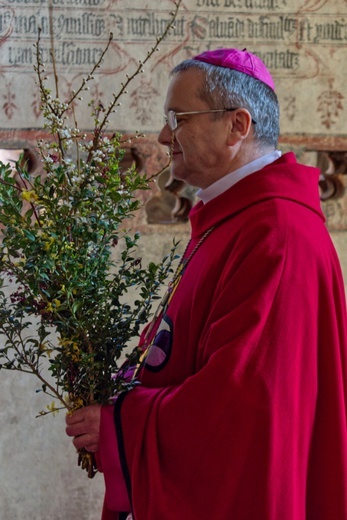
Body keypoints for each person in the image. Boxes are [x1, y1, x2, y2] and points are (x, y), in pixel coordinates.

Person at [66, 48, 347, 520]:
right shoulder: (234, 219)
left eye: (178, 118)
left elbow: (239, 414)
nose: (162, 136)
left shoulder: (277, 235)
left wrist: (120, 427)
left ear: (238, 125)